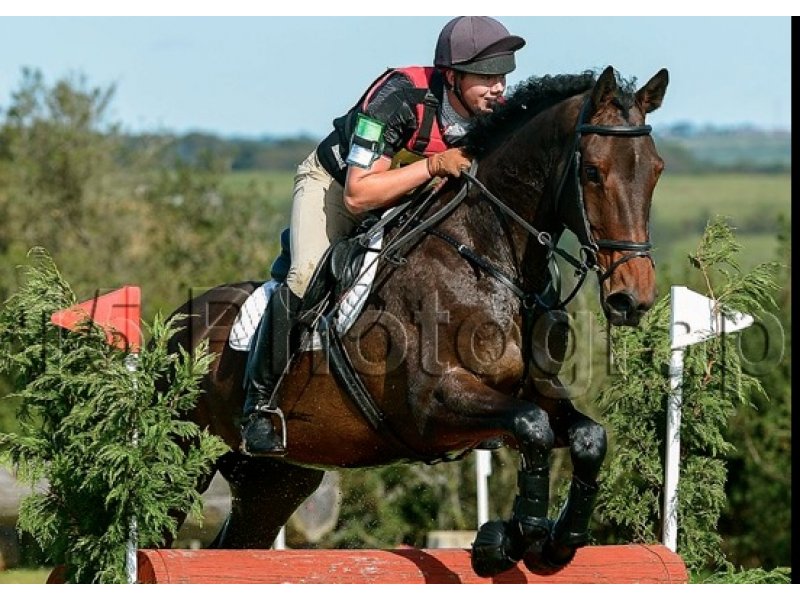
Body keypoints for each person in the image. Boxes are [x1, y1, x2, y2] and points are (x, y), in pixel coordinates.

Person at [241, 16, 526, 456]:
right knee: (303, 276)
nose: (498, 88)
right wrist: (432, 165)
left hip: (410, 198)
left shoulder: (495, 116)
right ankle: (258, 407)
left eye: (502, 76)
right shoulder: (396, 96)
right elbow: (359, 195)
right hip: (336, 187)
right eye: (486, 77)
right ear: (452, 76)